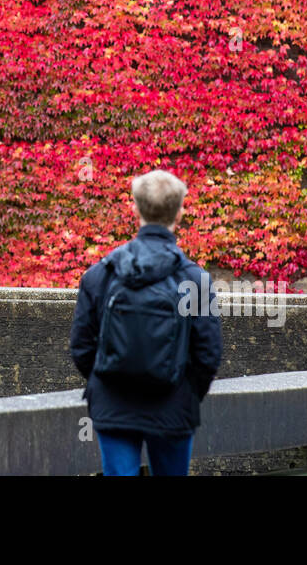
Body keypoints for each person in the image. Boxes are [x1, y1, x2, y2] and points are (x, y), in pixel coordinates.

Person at [68, 170, 222, 476]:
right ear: (179, 213)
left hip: (114, 405)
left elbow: (81, 347)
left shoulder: (100, 275)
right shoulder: (194, 280)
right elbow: (208, 354)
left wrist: (108, 381)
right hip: (173, 408)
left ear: (135, 209)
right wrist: (184, 393)